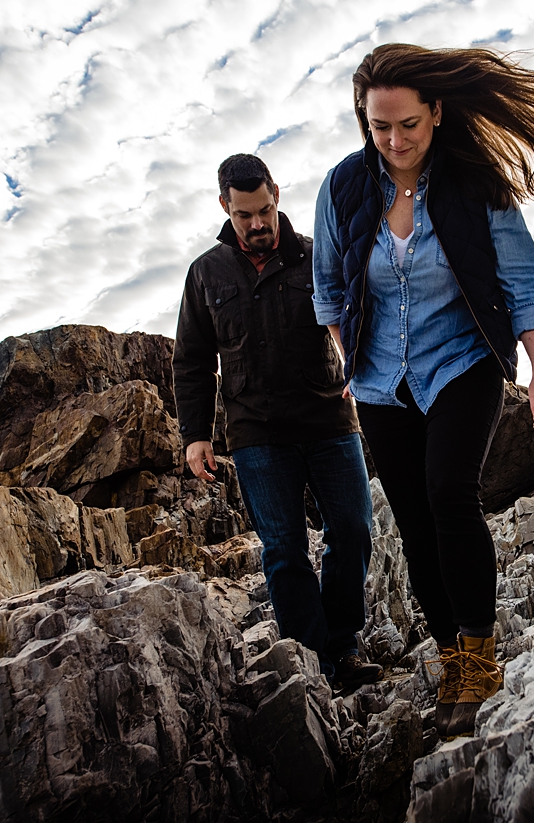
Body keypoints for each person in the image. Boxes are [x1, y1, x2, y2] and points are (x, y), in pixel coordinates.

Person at [313, 44, 534, 737]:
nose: (395, 140)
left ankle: (481, 650)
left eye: (407, 124)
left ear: (435, 112)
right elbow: (326, 288)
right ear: (364, 122)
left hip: (461, 361)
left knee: (448, 495)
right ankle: (448, 654)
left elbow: (524, 279)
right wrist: (349, 357)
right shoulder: (344, 188)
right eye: (380, 127)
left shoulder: (473, 183)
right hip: (378, 381)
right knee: (411, 519)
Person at [173, 153, 383, 693]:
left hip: (329, 421)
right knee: (285, 551)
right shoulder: (206, 273)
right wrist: (196, 435)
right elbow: (193, 359)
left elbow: (358, 323)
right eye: (245, 215)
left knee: (354, 531)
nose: (258, 223)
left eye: (264, 210)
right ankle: (315, 665)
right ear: (226, 207)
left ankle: (344, 646)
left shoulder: (317, 257)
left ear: (277, 196)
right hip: (256, 434)